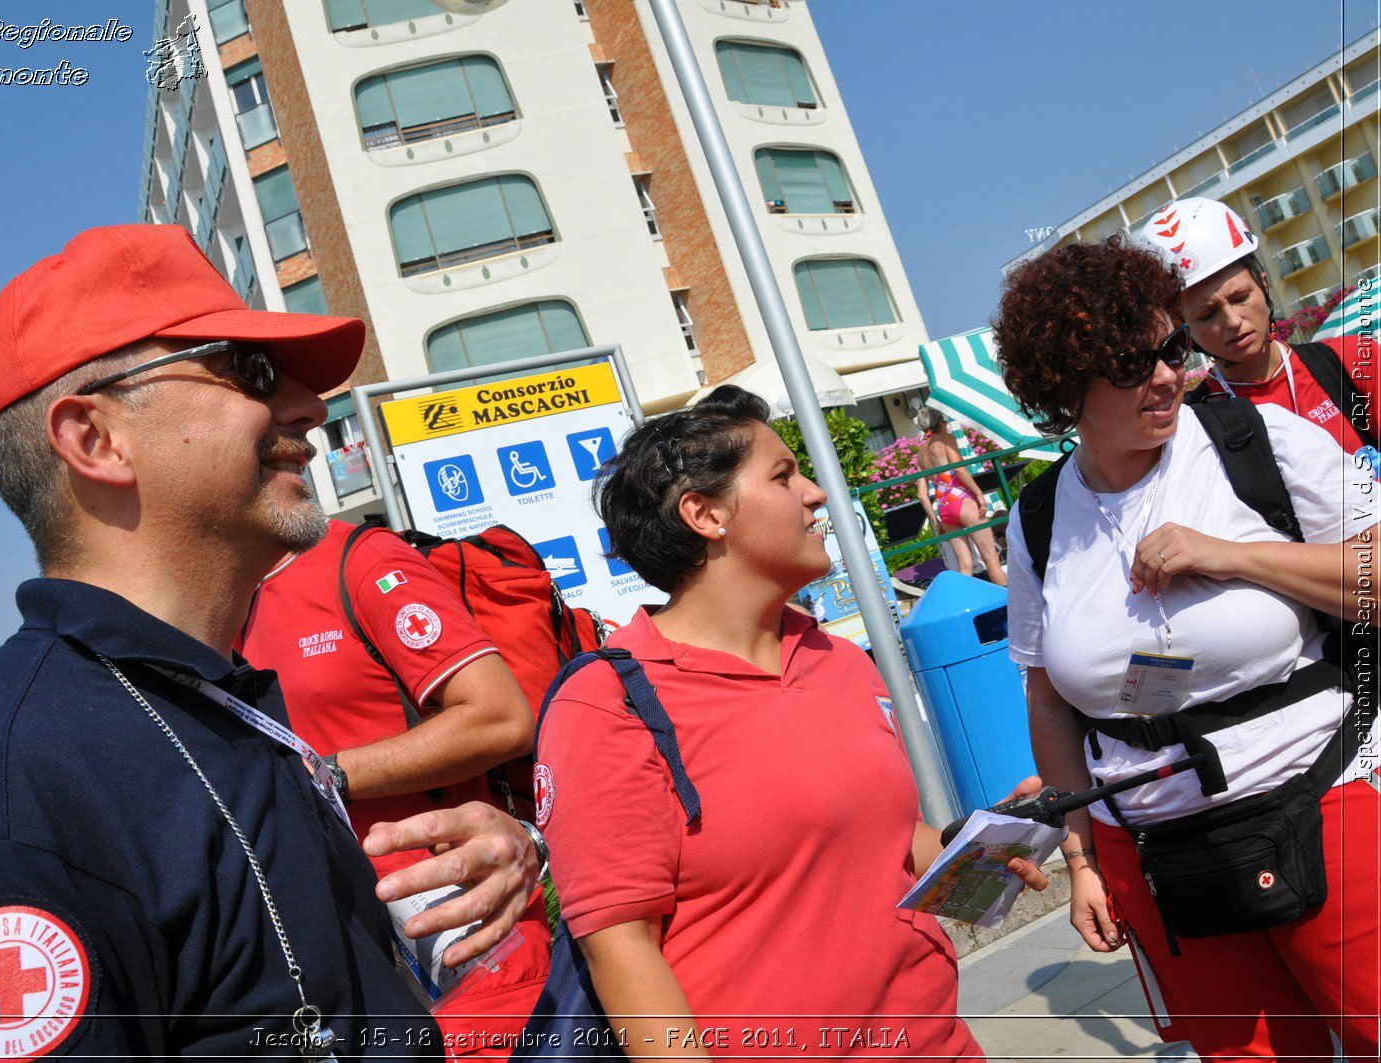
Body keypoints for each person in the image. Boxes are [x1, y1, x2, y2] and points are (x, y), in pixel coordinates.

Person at [0, 224, 544, 1060]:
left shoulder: (215, 709)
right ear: (97, 440)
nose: (308, 408)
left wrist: (476, 869)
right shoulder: (6, 807)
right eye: (249, 370)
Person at [536, 386, 1045, 1060]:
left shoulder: (836, 658)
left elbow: (885, 842)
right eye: (783, 476)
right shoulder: (608, 705)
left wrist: (977, 852)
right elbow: (622, 950)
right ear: (705, 514)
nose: (816, 493)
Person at [993, 236, 1379, 1061]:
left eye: (1170, 347)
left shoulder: (1256, 439)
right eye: (1131, 365)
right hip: (1158, 850)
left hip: (1329, 794)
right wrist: (1082, 860)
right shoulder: (1033, 521)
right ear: (1064, 386)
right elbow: (1048, 700)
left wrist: (1232, 554)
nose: (1167, 374)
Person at [241, 523, 551, 1058]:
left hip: (468, 945)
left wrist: (324, 778)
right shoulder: (213, 609)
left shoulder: (358, 559)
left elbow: (500, 717)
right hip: (346, 966)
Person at [1133, 197, 1377, 466]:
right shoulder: (1194, 427)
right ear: (1183, 327)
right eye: (1207, 314)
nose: (1233, 321)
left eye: (1240, 298)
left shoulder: (1352, 360)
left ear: (1264, 284)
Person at [912, 406, 1007, 585]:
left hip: (944, 508)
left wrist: (936, 521)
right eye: (945, 421)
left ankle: (970, 606)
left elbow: (922, 495)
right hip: (961, 500)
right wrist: (979, 494)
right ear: (940, 422)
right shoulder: (946, 439)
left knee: (964, 566)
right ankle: (1007, 605)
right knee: (991, 558)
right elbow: (959, 469)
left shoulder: (920, 454)